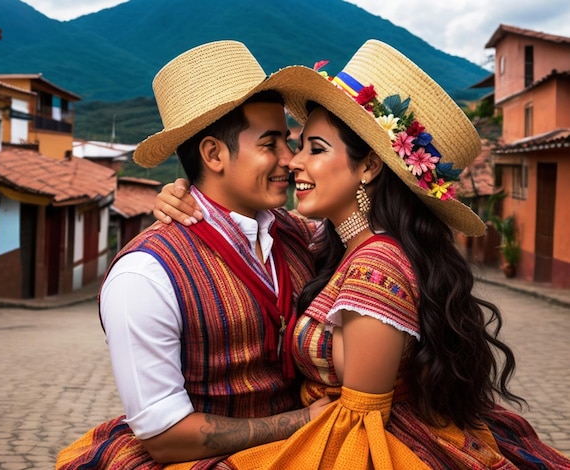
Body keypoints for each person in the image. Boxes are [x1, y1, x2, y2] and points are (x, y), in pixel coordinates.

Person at [156, 40, 570, 469]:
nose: (294, 162)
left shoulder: (376, 264)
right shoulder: (334, 243)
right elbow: (242, 221)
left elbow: (360, 421)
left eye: (314, 149)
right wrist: (188, 196)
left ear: (369, 167)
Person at [56, 40, 332, 469]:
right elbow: (166, 438)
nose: (290, 159)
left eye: (290, 142)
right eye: (271, 143)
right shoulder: (144, 275)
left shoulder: (293, 233)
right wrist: (301, 422)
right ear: (213, 154)